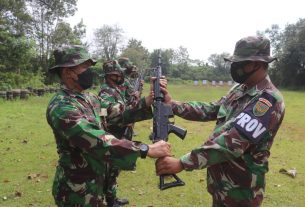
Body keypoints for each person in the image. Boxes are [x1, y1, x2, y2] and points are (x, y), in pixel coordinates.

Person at [156, 36, 285, 207]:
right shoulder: (240, 89)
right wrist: (172, 105)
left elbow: (231, 143)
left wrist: (182, 163)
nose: (236, 67)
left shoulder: (268, 101)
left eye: (242, 62)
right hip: (222, 184)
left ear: (258, 64)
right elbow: (211, 109)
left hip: (241, 191)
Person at [46, 45, 171, 207]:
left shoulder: (90, 99)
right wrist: (145, 149)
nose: (89, 71)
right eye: (84, 66)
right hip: (76, 191)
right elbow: (95, 139)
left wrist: (148, 100)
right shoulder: (61, 107)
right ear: (68, 72)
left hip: (97, 183)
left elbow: (117, 116)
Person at [98, 60, 137, 206]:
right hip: (113, 134)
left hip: (120, 132)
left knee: (115, 170)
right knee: (110, 170)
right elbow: (107, 113)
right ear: (111, 75)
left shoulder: (115, 89)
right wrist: (132, 109)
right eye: (117, 73)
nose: (120, 76)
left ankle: (112, 198)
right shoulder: (105, 91)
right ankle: (109, 200)